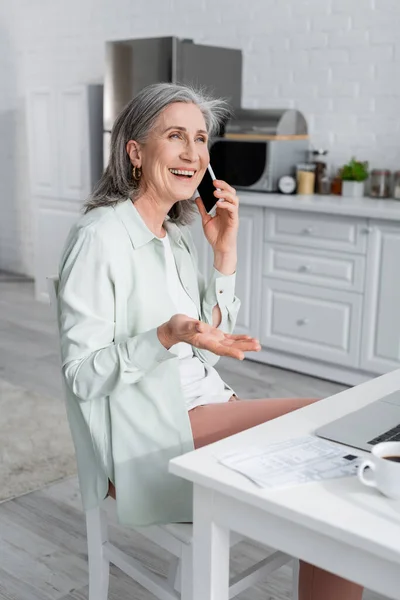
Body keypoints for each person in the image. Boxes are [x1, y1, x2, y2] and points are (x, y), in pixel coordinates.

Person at [58, 82, 363, 599]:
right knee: (334, 444)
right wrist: (162, 336)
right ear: (135, 151)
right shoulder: (99, 238)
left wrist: (225, 252)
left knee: (338, 454)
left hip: (203, 411)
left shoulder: (174, 237)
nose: (193, 153)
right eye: (175, 136)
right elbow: (81, 376)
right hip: (150, 439)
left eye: (200, 139)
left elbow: (202, 340)